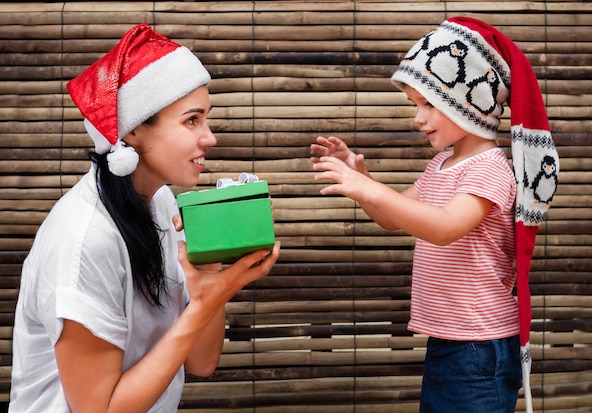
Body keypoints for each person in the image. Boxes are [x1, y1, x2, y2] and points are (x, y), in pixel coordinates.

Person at [10, 24, 280, 412]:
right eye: (192, 120)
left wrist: (213, 271)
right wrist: (204, 304)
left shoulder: (163, 203)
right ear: (134, 129)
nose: (210, 138)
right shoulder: (85, 239)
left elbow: (201, 363)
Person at [311, 17, 558, 413]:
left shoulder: (491, 168)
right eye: (414, 105)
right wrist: (363, 181)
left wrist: (368, 188)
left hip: (480, 346)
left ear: (470, 101)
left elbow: (445, 228)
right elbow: (395, 218)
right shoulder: (442, 164)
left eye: (429, 104)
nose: (417, 118)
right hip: (449, 338)